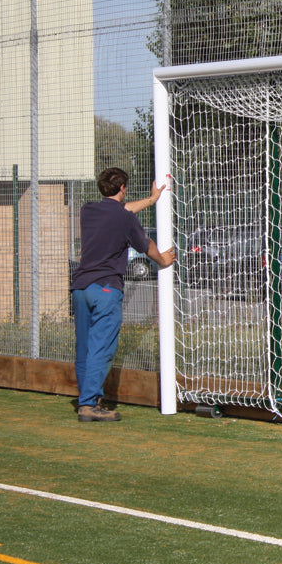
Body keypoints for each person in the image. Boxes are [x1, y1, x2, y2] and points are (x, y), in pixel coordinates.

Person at [69, 168, 175, 422]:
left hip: (81, 287)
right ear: (123, 188)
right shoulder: (125, 219)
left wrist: (151, 201)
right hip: (105, 289)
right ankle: (89, 404)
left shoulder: (88, 210)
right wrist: (162, 259)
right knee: (101, 347)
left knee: (84, 347)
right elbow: (145, 244)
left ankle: (87, 400)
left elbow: (122, 210)